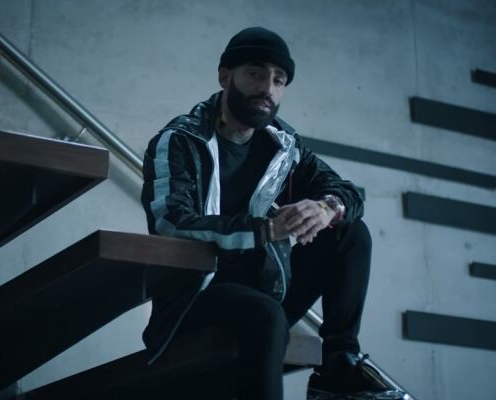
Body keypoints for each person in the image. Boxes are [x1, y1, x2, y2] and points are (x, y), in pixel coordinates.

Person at [140, 27, 406, 400]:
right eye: (255, 73)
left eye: (279, 80)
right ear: (225, 77)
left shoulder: (283, 146)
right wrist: (265, 230)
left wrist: (325, 208)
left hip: (265, 286)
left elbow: (349, 192)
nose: (267, 88)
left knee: (349, 231)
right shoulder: (181, 140)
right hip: (192, 298)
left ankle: (338, 365)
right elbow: (170, 222)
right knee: (264, 314)